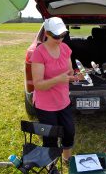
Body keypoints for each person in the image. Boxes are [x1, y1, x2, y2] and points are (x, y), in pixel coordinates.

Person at [30, 17, 76, 162]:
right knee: (50, 137)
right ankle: (52, 164)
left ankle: (66, 158)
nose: (60, 39)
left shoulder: (65, 48)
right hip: (45, 105)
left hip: (63, 100)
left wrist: (76, 76)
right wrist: (58, 79)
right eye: (56, 36)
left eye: (63, 35)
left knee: (69, 131)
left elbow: (69, 72)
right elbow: (37, 84)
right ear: (47, 33)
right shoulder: (39, 52)